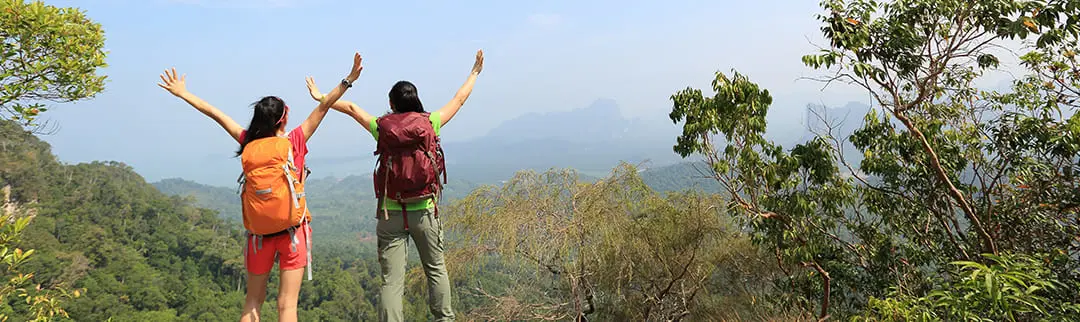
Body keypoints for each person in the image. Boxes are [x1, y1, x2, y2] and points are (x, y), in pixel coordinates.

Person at [156, 52, 364, 322]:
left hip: (258, 236)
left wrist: (183, 93)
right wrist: (349, 79)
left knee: (252, 302)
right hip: (293, 232)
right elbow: (324, 107)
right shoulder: (294, 141)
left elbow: (215, 114)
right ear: (282, 120)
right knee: (287, 306)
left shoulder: (247, 141)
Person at [305, 49, 484, 322]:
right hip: (424, 211)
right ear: (416, 99)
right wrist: (474, 73)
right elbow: (459, 99)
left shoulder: (382, 127)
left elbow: (352, 108)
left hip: (390, 213)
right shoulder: (430, 123)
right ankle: (445, 319)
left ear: (391, 103)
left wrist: (322, 97)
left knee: (391, 281)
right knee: (436, 269)